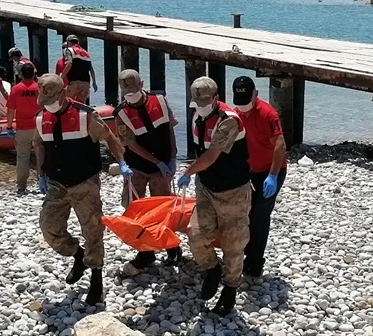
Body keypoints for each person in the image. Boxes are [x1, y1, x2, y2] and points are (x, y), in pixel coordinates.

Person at [33, 73, 133, 305]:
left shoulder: (85, 116)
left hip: (84, 183)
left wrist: (123, 163)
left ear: (63, 93)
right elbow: (39, 145)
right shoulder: (41, 118)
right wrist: (40, 174)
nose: (48, 104)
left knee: (93, 231)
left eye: (52, 99)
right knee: (49, 228)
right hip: (57, 183)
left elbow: (109, 138)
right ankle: (78, 255)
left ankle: (96, 280)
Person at [177, 76, 252, 316]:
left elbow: (211, 156)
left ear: (216, 98)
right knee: (196, 235)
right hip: (207, 188)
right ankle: (212, 270)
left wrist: (187, 171)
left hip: (233, 191)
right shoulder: (197, 115)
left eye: (205, 102)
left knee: (233, 244)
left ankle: (230, 288)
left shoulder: (229, 121)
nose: (201, 106)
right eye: (197, 102)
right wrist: (195, 175)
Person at [112, 69, 181, 271]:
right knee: (134, 209)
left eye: (133, 92)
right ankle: (145, 252)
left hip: (162, 165)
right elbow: (131, 144)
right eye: (127, 94)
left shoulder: (160, 100)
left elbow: (169, 128)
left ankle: (172, 248)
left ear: (141, 85)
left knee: (164, 208)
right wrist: (156, 162)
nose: (131, 98)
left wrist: (172, 157)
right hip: (137, 167)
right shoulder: (121, 113)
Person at [231, 76, 287, 277]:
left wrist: (272, 176)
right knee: (245, 214)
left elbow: (280, 146)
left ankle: (256, 263)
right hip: (250, 172)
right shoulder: (236, 113)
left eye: (247, 101)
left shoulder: (268, 114)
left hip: (272, 170)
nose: (243, 106)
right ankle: (245, 257)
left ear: (256, 94)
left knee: (260, 218)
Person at [4, 63, 43, 195]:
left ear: (21, 74)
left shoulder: (16, 89)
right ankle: (42, 182)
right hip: (38, 126)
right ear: (34, 74)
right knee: (41, 156)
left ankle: (21, 186)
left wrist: (9, 126)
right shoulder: (39, 88)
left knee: (22, 157)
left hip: (23, 128)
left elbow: (10, 110)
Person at [60, 35, 98, 103]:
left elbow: (69, 64)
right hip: (86, 83)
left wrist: (61, 77)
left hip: (74, 82)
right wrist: (94, 82)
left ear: (68, 42)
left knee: (68, 103)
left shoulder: (69, 50)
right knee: (80, 105)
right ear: (78, 42)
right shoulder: (86, 53)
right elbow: (91, 69)